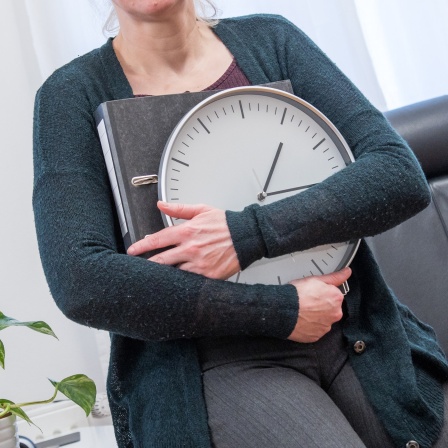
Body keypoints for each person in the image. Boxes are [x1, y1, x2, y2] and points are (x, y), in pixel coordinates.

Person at [32, 1, 448, 447]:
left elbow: (397, 174)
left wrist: (246, 234)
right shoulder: (71, 94)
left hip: (353, 330)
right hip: (216, 365)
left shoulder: (272, 40)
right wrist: (281, 310)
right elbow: (81, 279)